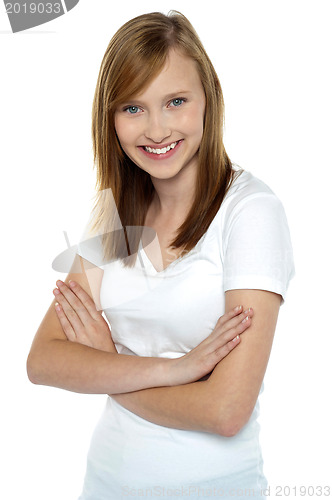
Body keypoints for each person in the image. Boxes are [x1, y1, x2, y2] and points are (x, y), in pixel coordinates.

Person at [27, 10, 295, 499]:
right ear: (109, 118)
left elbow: (225, 411)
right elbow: (43, 360)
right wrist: (175, 370)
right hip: (106, 483)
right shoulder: (114, 214)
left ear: (208, 100)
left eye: (175, 101)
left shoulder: (251, 213)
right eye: (133, 108)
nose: (156, 129)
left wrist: (107, 366)